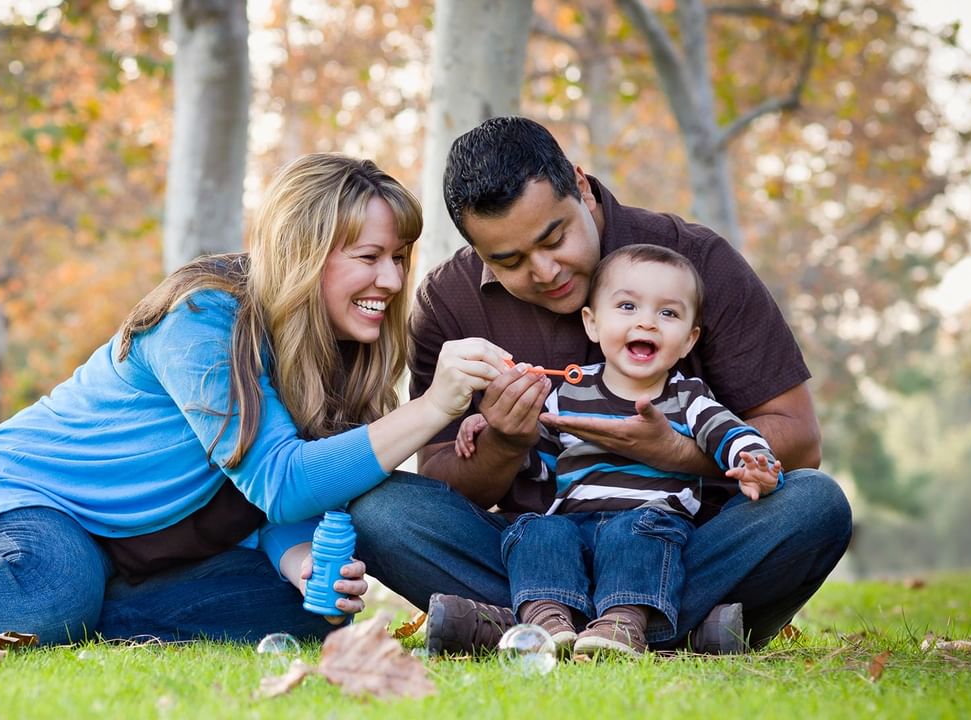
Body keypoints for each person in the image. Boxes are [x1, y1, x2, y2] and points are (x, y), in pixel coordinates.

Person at [0, 153, 513, 646]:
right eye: (368, 256)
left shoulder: (339, 353)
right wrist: (437, 405)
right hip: (18, 508)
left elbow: (281, 510)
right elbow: (281, 477)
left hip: (138, 556)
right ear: (305, 253)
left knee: (310, 614)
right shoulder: (204, 316)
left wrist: (303, 559)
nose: (388, 281)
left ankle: (70, 615)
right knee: (56, 586)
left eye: (398, 259)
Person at [348, 116, 853, 655]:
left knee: (814, 504)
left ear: (582, 187)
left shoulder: (695, 262)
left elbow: (800, 440)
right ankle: (658, 630)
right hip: (535, 547)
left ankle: (518, 629)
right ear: (475, 247)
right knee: (375, 506)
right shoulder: (449, 301)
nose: (543, 271)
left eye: (554, 238)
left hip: (684, 544)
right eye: (509, 260)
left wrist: (679, 453)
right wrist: (504, 443)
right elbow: (449, 483)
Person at [455, 245, 783, 656]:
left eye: (669, 313)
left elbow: (731, 434)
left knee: (637, 532)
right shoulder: (567, 392)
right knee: (538, 529)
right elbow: (537, 466)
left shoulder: (688, 397)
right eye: (627, 306)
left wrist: (755, 463)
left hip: (647, 525)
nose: (647, 321)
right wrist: (498, 432)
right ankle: (548, 619)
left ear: (688, 340)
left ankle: (623, 623)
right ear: (592, 324)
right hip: (575, 526)